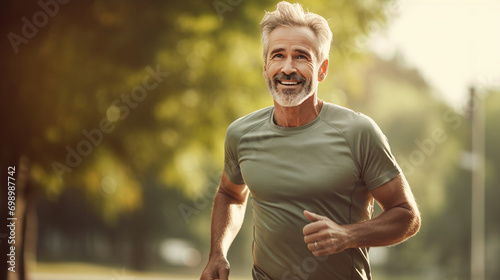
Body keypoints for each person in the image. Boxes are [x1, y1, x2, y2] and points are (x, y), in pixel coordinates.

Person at [200, 1, 421, 279]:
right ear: (266, 66)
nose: (288, 68)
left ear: (322, 69)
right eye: (278, 55)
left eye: (301, 56)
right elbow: (230, 194)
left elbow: (407, 216)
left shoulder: (358, 132)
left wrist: (347, 235)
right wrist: (217, 254)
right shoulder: (241, 133)